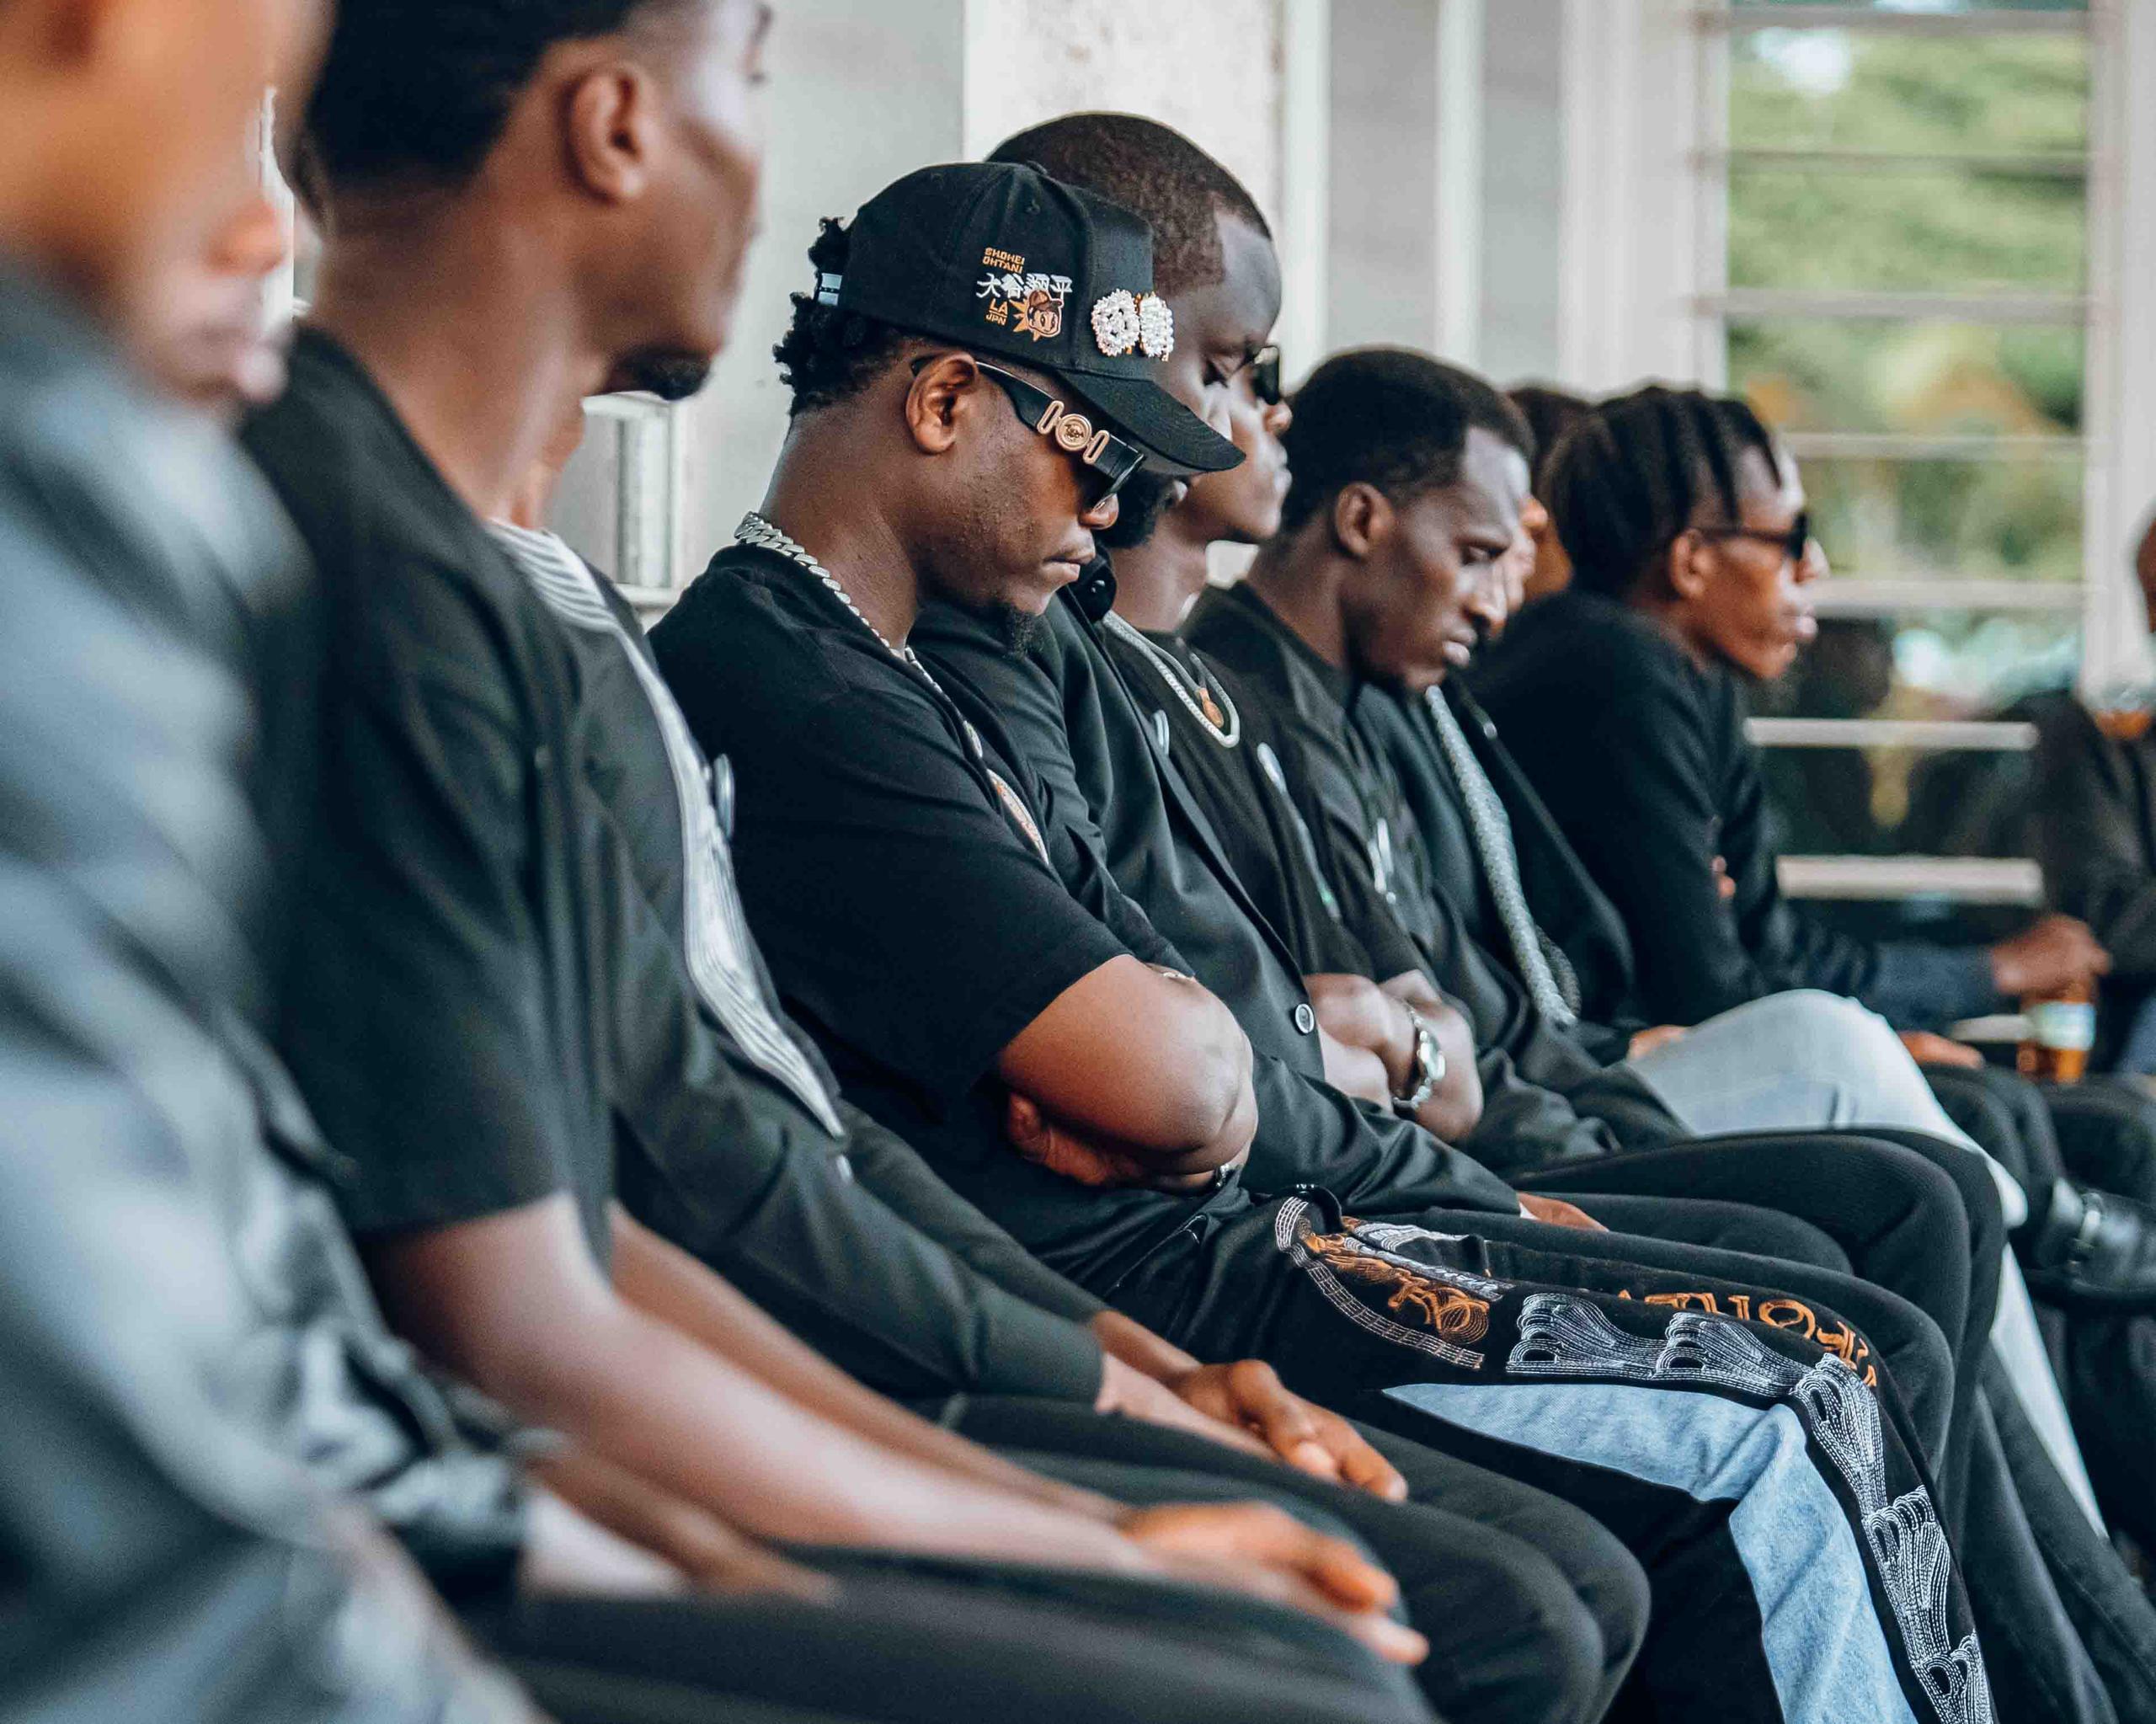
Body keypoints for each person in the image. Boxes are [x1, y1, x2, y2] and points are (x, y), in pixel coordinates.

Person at [651, 159, 1998, 1722]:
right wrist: (1188, 1072)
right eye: (1089, 454)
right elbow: (1180, 1078)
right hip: (1154, 1259)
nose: (1111, 514)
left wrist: (1190, 1060)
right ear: (948, 400)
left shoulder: (936, 657)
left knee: (1828, 1362)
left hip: (1223, 1221)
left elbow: (1193, 1029)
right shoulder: (795, 678)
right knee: (1779, 1421)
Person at [237, 5, 1453, 1721]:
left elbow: (685, 1147)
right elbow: (570, 1276)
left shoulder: (510, 596)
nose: (1107, 510)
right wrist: (1085, 1518)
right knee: (1353, 1664)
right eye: (748, 73)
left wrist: (1127, 1392)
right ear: (611, 124)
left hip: (554, 1445)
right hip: (374, 1548)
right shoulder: (366, 573)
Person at [1474, 380, 2156, 1714]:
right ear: (1690, 560)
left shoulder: (1673, 677)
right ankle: (2102, 1655)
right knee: (1937, 1150)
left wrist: (1921, 999)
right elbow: (1721, 978)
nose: (1817, 573)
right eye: (1791, 541)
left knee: (2010, 1135)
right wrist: (1962, 983)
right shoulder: (1613, 668)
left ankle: (2100, 1636)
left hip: (1622, 1050)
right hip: (1582, 1083)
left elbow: (1758, 945)